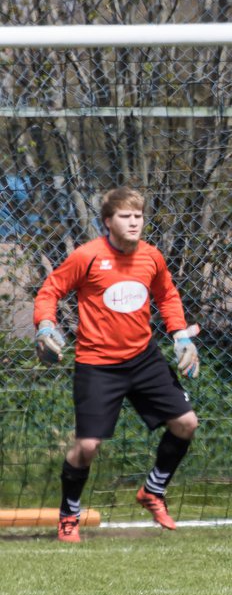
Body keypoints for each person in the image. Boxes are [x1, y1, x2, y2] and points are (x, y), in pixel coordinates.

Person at [33, 186, 201, 543]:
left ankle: (152, 492)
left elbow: (167, 295)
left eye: (138, 216)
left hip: (144, 359)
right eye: (125, 216)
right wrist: (45, 325)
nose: (134, 222)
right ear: (107, 221)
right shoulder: (87, 256)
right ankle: (69, 517)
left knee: (186, 423)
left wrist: (181, 334)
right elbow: (50, 290)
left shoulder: (152, 257)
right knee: (88, 446)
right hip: (97, 364)